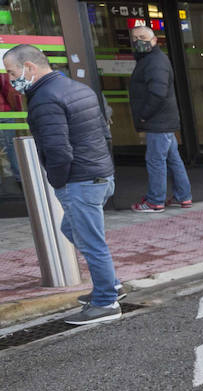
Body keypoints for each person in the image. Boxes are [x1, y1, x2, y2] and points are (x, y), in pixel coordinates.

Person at [3, 44, 123, 325]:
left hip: (80, 180)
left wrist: (58, 182)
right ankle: (112, 284)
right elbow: (103, 132)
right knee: (71, 229)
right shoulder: (76, 88)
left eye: (11, 72)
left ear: (29, 67)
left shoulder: (44, 98)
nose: (10, 79)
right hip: (100, 175)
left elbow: (58, 150)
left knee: (92, 242)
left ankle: (107, 302)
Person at [127, 25, 193, 212]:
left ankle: (155, 201)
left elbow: (157, 93)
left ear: (154, 40)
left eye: (143, 36)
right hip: (162, 120)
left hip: (158, 121)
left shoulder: (155, 61)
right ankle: (183, 196)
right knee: (173, 159)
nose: (138, 41)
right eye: (135, 37)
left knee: (156, 160)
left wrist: (143, 116)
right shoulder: (150, 60)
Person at [1, 71, 22, 188]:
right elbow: (6, 88)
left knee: (11, 146)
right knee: (11, 146)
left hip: (4, 111)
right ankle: (20, 178)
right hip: (4, 111)